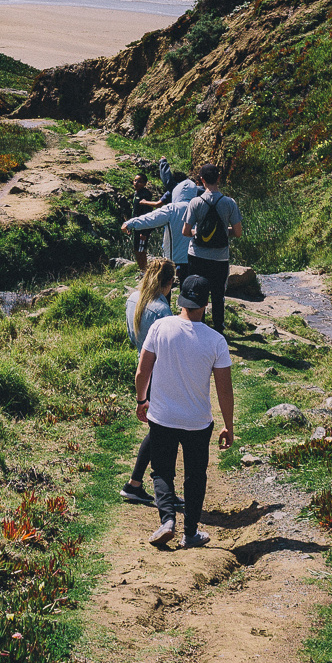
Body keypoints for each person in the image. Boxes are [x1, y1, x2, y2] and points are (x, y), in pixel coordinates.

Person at [135, 274, 234, 548]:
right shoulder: (216, 341)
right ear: (205, 304)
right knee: (195, 475)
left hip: (162, 417)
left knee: (162, 471)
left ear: (180, 299)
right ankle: (190, 533)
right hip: (198, 422)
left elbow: (143, 371)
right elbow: (225, 390)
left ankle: (167, 520)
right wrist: (229, 425)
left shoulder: (160, 327)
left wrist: (142, 400)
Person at [119, 259, 180, 506]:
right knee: (166, 433)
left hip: (144, 366)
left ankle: (134, 484)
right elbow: (171, 347)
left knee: (159, 431)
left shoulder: (133, 299)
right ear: (168, 283)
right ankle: (164, 492)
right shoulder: (162, 310)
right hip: (162, 373)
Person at [178, 163, 242, 332]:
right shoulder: (229, 203)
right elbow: (237, 232)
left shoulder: (195, 202)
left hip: (197, 255)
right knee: (218, 295)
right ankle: (218, 330)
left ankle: (199, 327)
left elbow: (185, 231)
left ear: (201, 180)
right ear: (219, 179)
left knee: (198, 292)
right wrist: (220, 232)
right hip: (220, 257)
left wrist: (198, 232)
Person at [122, 172, 202, 278]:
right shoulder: (201, 207)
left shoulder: (171, 208)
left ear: (177, 192)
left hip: (173, 258)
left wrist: (130, 223)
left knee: (165, 288)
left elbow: (150, 219)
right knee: (188, 288)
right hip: (195, 257)